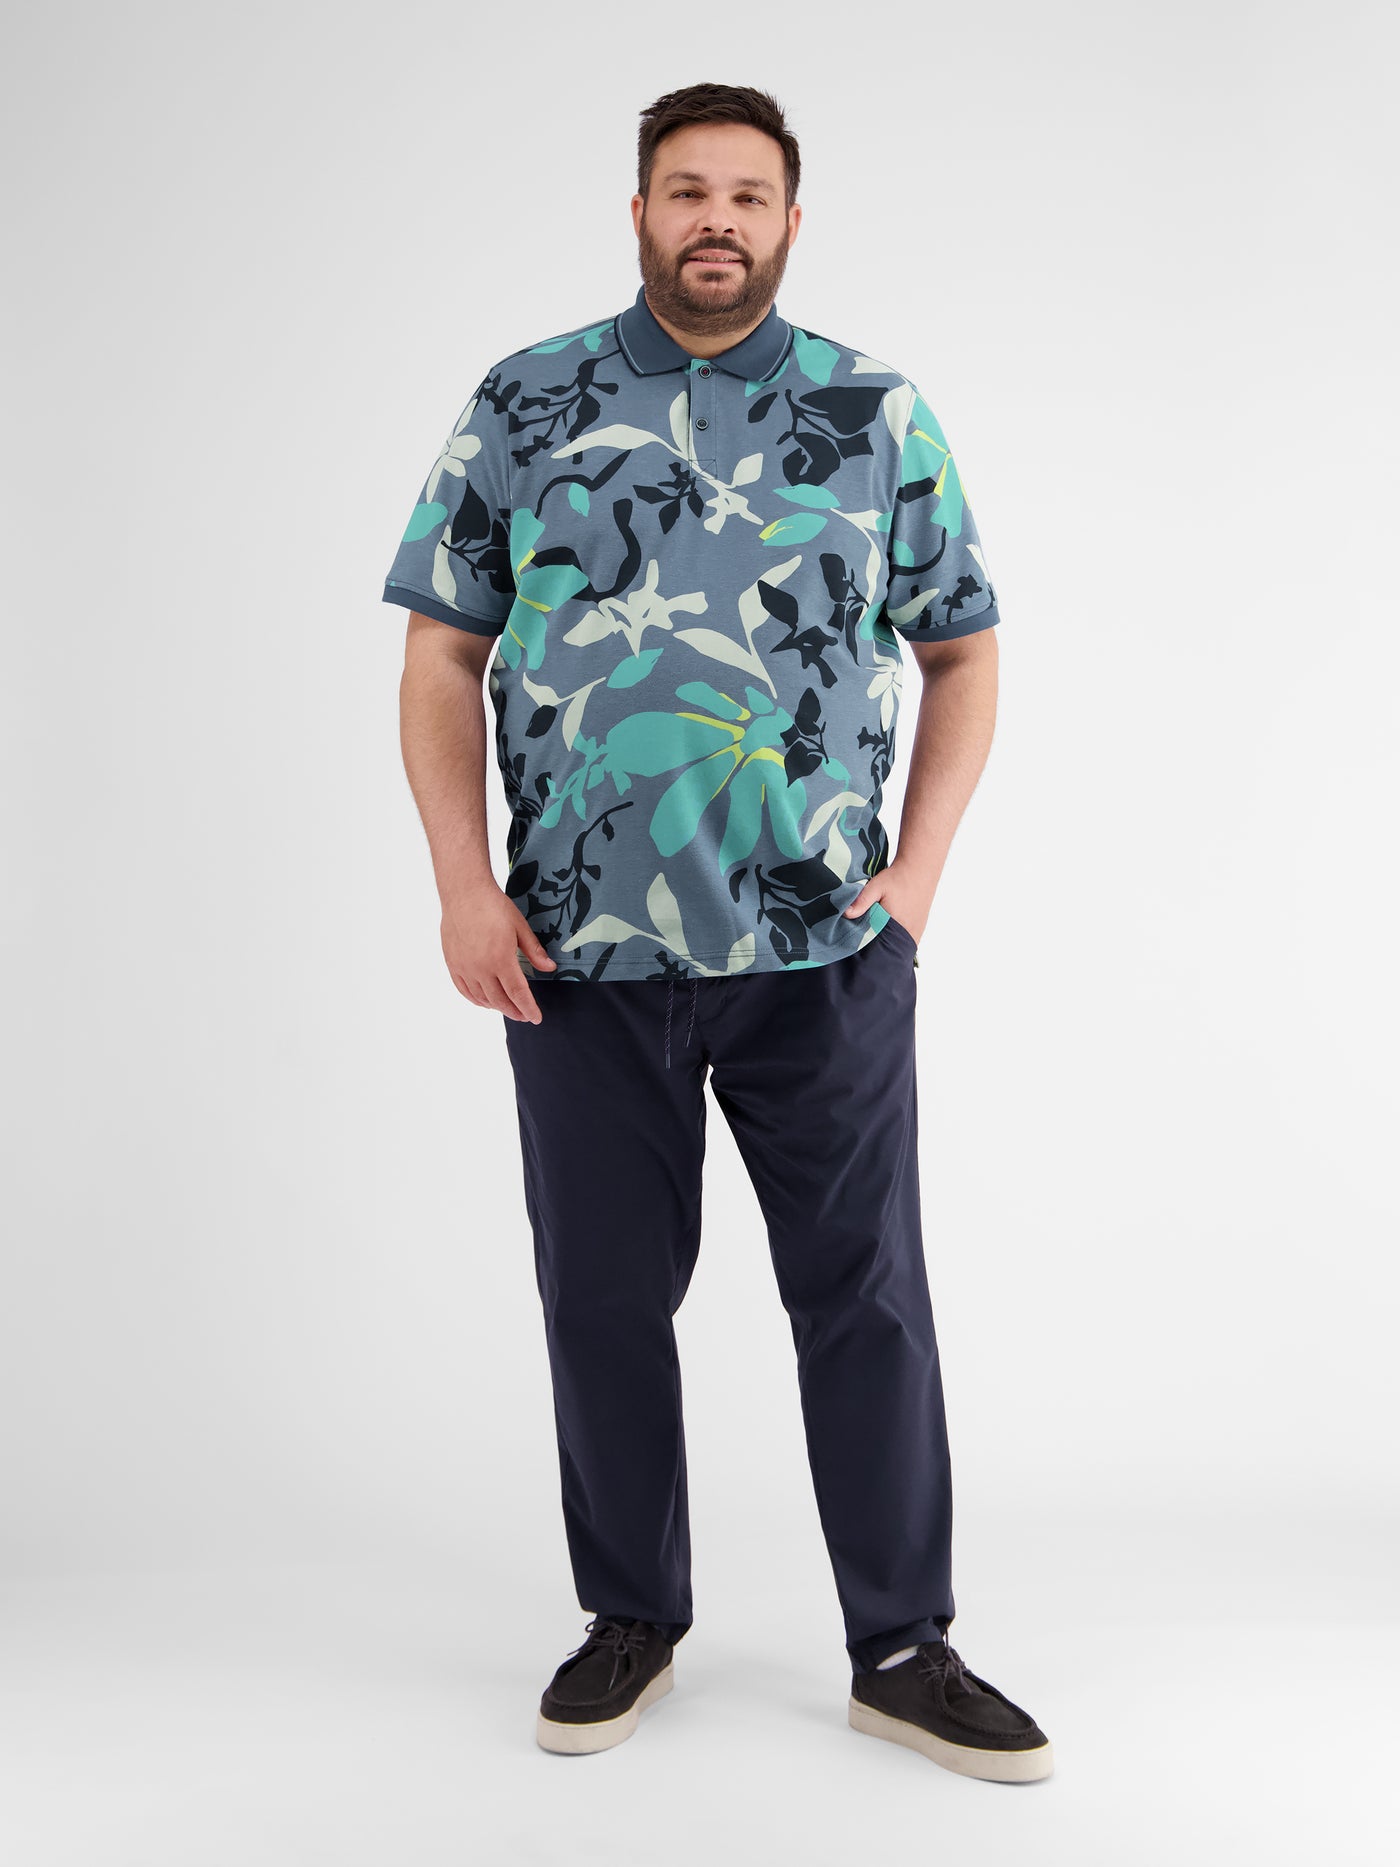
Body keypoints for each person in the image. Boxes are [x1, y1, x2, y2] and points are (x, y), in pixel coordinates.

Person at [381, 81, 1052, 1784]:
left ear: (790, 223)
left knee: (868, 1300)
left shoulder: (874, 410)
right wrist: (462, 883)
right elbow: (442, 650)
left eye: (748, 196)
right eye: (687, 191)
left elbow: (963, 647)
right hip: (577, 957)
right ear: (638, 212)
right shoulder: (528, 400)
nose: (716, 222)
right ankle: (631, 1619)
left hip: (823, 954)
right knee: (602, 1301)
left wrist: (916, 883)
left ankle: (902, 1644)